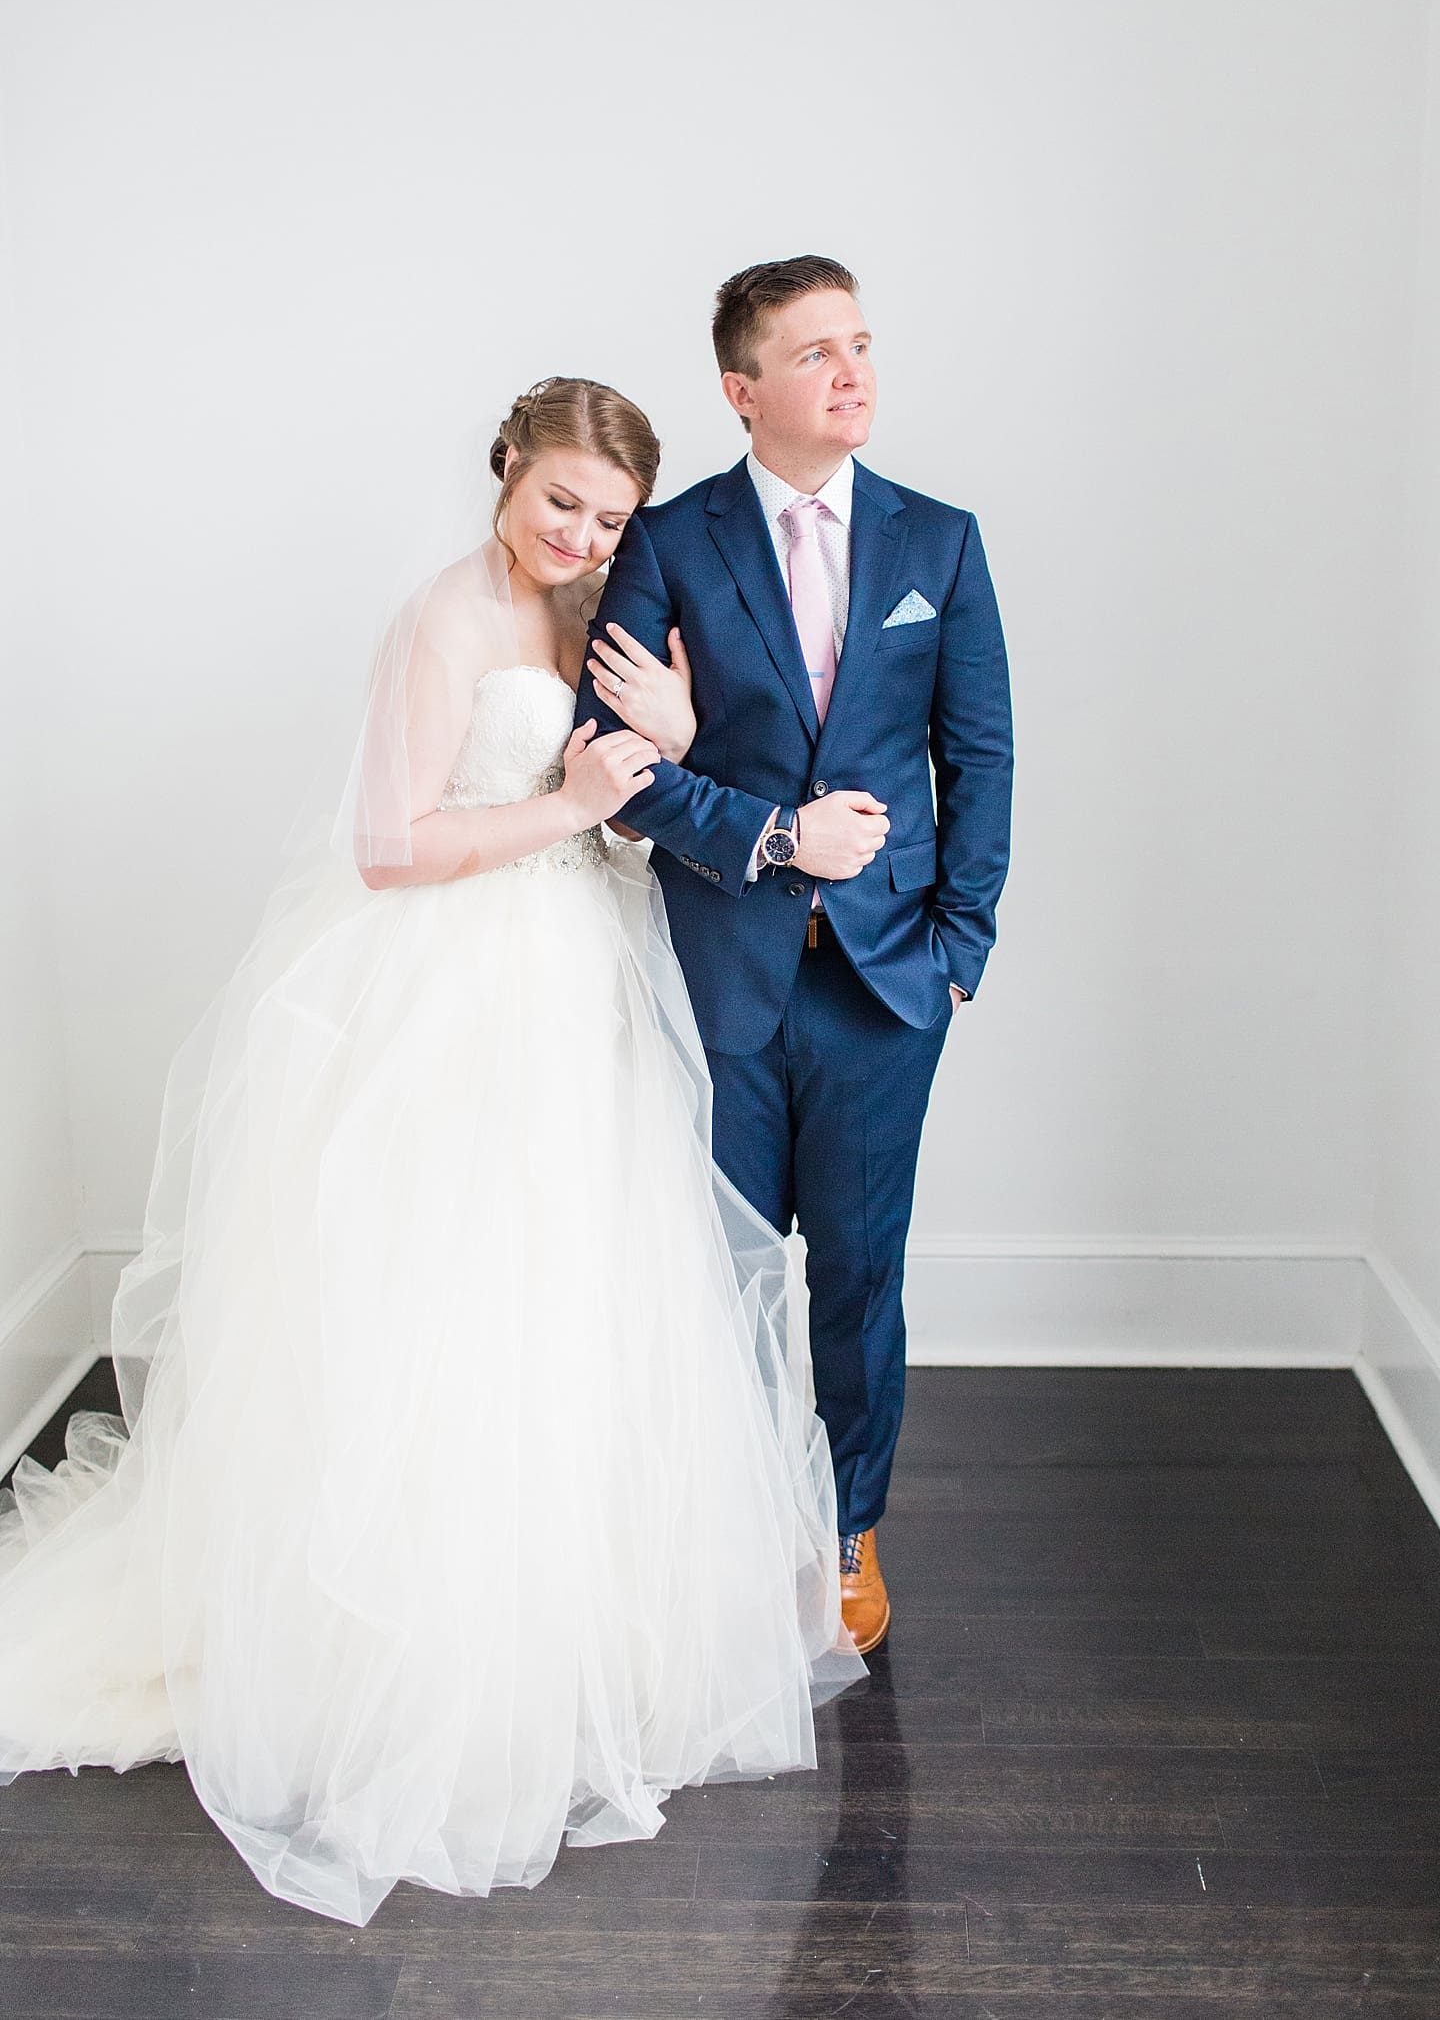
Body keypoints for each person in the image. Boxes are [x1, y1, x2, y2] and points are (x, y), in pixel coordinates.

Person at [0, 377, 862, 1928]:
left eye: (608, 517)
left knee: (580, 1291)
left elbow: (630, 812)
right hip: (454, 983)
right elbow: (391, 846)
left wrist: (662, 747)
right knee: (446, 1294)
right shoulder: (441, 621)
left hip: (581, 979)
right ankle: (411, 1648)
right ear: (508, 467)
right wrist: (575, 804)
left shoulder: (603, 611)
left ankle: (573, 1627)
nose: (580, 536)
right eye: (560, 502)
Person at [577, 257, 1014, 1654]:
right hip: (721, 974)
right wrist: (776, 837)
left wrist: (959, 947)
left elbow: (981, 758)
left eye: (861, 343)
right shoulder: (671, 542)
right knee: (721, 1270)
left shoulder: (939, 543)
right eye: (816, 351)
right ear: (742, 388)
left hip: (887, 983)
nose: (852, 371)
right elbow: (615, 771)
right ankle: (724, 1521)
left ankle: (844, 1526)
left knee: (859, 1273)